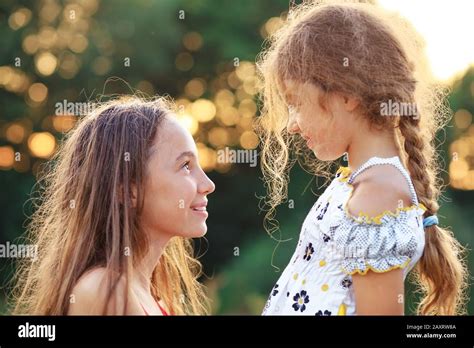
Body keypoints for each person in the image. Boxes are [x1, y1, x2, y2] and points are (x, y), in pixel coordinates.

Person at [257, 1, 467, 315]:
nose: (292, 124)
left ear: (346, 96)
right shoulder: (363, 184)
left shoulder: (377, 194)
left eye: (296, 103)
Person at [11, 96, 215, 315]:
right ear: (127, 190)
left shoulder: (149, 296)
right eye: (185, 166)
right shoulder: (106, 290)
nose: (208, 185)